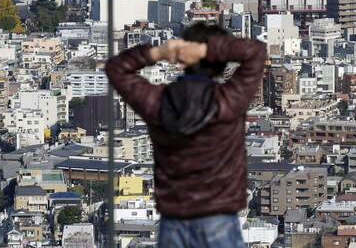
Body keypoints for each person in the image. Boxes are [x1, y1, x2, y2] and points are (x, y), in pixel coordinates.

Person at [105, 22, 266, 248]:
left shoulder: (157, 102)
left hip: (174, 221)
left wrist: (159, 52)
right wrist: (205, 50)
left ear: (182, 60)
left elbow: (116, 68)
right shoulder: (229, 100)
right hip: (218, 217)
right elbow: (256, 51)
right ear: (221, 66)